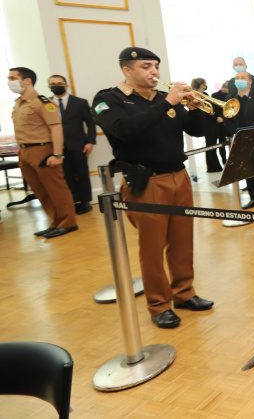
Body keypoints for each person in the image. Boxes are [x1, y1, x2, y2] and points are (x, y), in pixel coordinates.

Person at [93, 47, 213, 329]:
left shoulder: (162, 98)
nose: (154, 72)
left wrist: (194, 110)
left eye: (156, 66)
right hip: (147, 182)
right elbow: (125, 130)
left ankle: (185, 293)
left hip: (179, 178)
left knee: (182, 242)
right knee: (152, 247)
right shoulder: (108, 99)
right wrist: (167, 103)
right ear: (127, 70)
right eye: (146, 66)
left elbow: (197, 131)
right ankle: (159, 305)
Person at [8, 67, 78, 238]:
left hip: (42, 150)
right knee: (41, 191)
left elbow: (56, 129)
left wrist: (57, 154)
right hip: (24, 152)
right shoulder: (19, 102)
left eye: (12, 78)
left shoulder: (42, 102)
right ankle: (55, 222)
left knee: (56, 189)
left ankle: (68, 223)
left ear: (27, 81)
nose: (9, 81)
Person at [48, 74, 96, 215]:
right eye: (52, 84)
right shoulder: (46, 104)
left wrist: (91, 142)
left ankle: (85, 202)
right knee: (66, 175)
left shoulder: (80, 102)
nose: (56, 85)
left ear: (66, 85)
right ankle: (74, 201)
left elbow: (90, 124)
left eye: (59, 83)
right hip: (57, 147)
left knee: (81, 174)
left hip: (79, 145)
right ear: (49, 87)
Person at [222, 70, 254, 209]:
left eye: (243, 77)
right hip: (238, 138)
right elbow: (227, 119)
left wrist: (249, 132)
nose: (239, 79)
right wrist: (236, 132)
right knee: (246, 170)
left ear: (250, 82)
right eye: (237, 78)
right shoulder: (229, 99)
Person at [191, 78, 223, 173]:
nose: (206, 85)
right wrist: (213, 115)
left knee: (212, 144)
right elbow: (204, 110)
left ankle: (215, 165)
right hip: (208, 123)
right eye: (205, 84)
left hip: (211, 122)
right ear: (202, 85)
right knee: (210, 145)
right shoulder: (198, 95)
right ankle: (212, 166)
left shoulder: (204, 94)